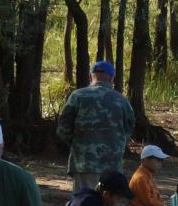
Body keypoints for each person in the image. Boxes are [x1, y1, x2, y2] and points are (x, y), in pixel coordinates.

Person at [56, 59, 134, 193]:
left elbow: (63, 128)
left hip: (85, 163)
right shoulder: (122, 101)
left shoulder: (77, 96)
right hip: (112, 165)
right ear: (112, 78)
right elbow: (129, 130)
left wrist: (78, 144)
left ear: (90, 76)